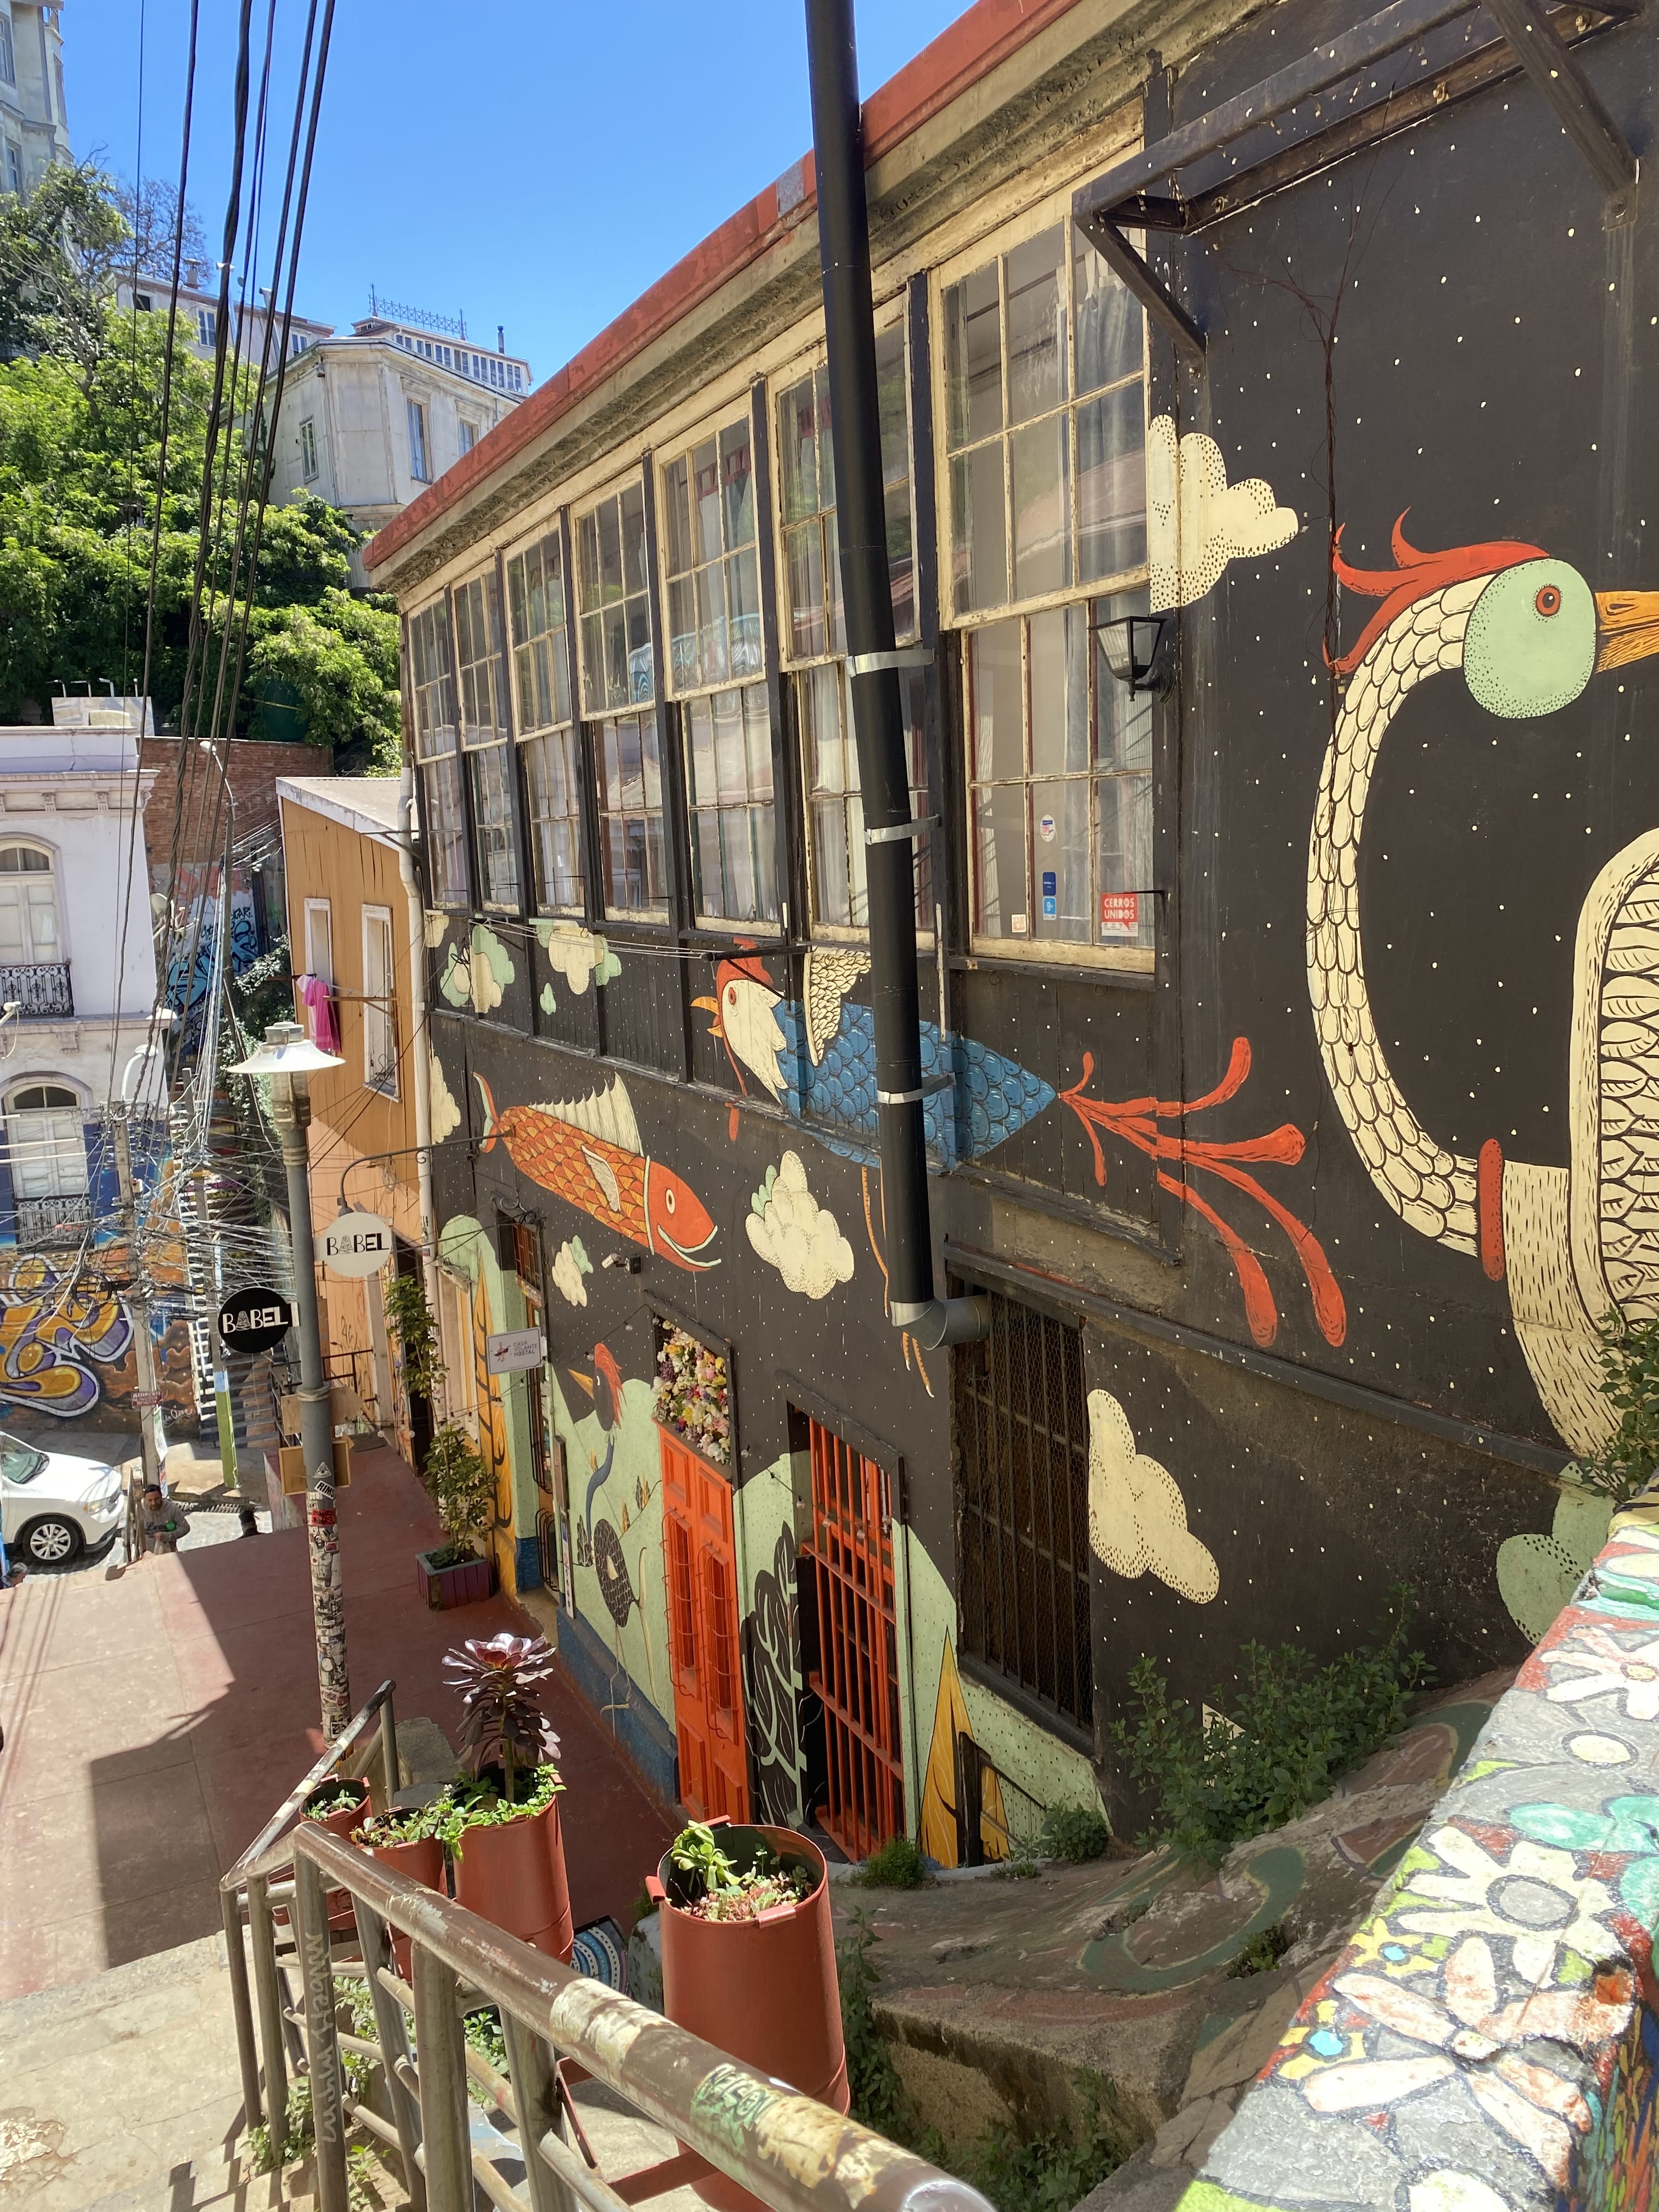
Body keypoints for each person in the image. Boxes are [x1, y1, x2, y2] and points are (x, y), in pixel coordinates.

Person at [138, 1483, 191, 1555]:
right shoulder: (139, 1511)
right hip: (146, 1555)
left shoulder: (171, 1509)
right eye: (150, 1500)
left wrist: (167, 1536)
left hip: (169, 1553)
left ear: (161, 1497)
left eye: (156, 1499)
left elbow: (185, 1528)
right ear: (145, 1500)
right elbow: (130, 1530)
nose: (154, 1503)